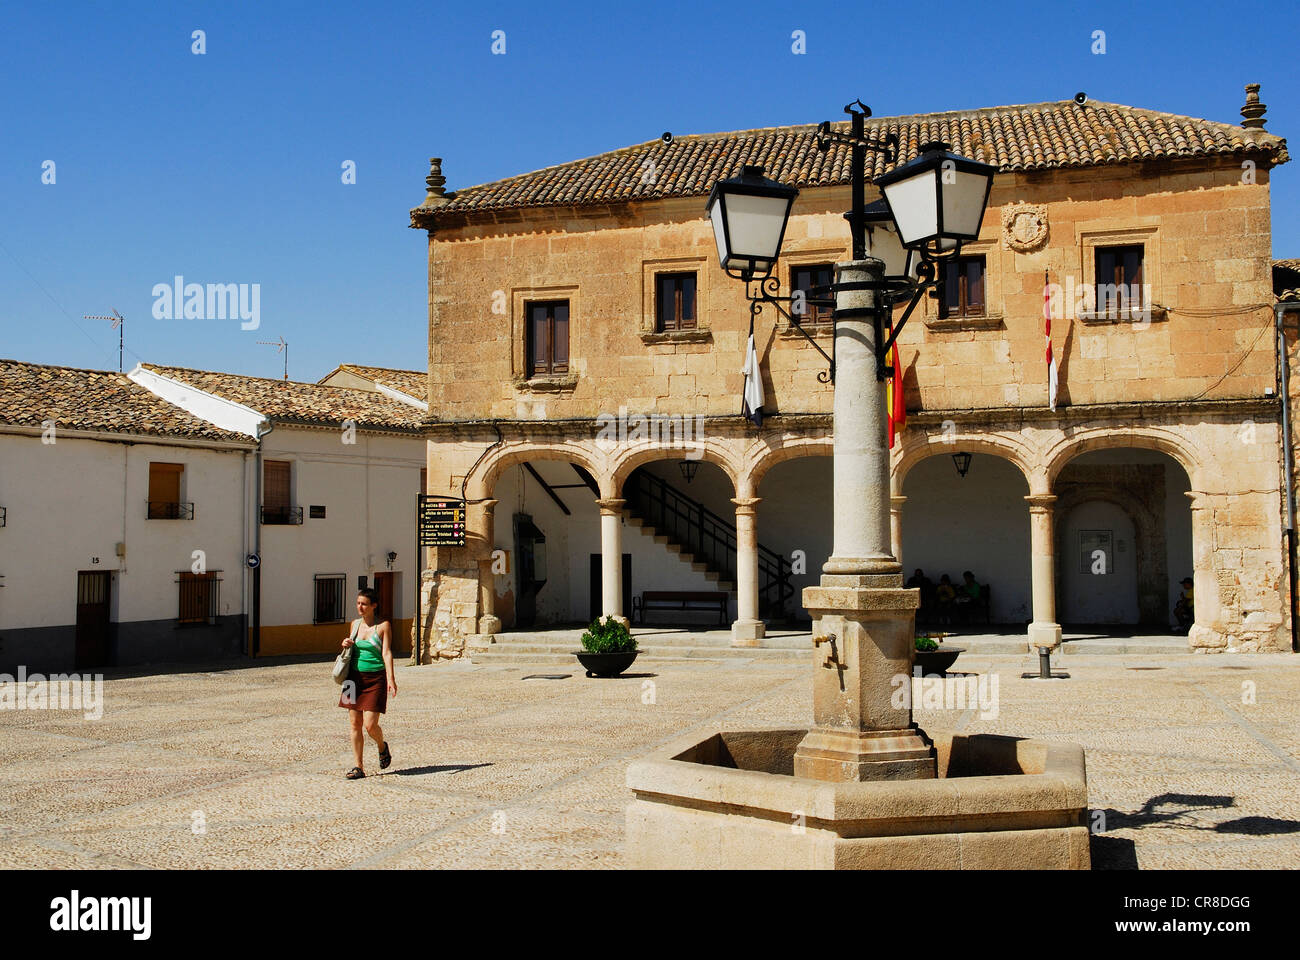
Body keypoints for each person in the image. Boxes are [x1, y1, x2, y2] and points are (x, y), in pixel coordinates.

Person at [338, 587, 397, 779]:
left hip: (375, 678)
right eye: (358, 603)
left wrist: (391, 679)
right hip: (352, 678)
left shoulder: (383, 626)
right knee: (355, 724)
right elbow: (351, 651)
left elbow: (386, 653)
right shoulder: (354, 624)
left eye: (364, 604)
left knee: (370, 725)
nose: (360, 607)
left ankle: (382, 746)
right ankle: (358, 767)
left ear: (374, 606)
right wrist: (346, 644)